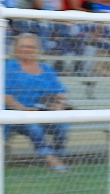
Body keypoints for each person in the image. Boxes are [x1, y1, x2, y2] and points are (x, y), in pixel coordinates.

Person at [4, 33, 70, 172]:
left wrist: (58, 104)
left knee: (62, 125)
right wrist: (23, 110)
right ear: (16, 49)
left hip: (44, 112)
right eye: (23, 47)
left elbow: (61, 91)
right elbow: (5, 96)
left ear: (37, 50)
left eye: (31, 47)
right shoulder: (9, 67)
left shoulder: (46, 69)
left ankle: (58, 154)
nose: (27, 50)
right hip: (17, 114)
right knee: (34, 128)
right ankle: (51, 159)